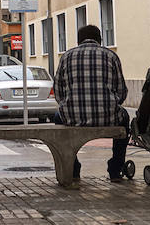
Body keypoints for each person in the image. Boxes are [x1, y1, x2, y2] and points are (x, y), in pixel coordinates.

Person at [54, 24, 129, 182]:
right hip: (108, 117)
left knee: (57, 118)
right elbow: (121, 91)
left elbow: (59, 93)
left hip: (72, 118)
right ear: (99, 39)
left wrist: (69, 107)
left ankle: (73, 168)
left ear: (78, 40)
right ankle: (115, 169)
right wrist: (110, 105)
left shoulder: (66, 56)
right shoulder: (111, 56)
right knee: (126, 118)